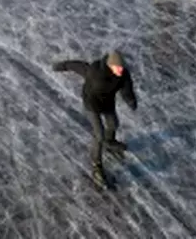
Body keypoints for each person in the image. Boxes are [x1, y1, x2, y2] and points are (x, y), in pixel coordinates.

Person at [52, 51, 137, 189]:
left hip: (108, 103)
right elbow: (78, 66)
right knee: (99, 135)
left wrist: (130, 100)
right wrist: (63, 65)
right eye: (118, 67)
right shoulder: (95, 71)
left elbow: (127, 88)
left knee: (114, 124)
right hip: (91, 105)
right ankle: (96, 165)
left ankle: (109, 142)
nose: (120, 70)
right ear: (110, 66)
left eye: (122, 67)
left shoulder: (122, 74)